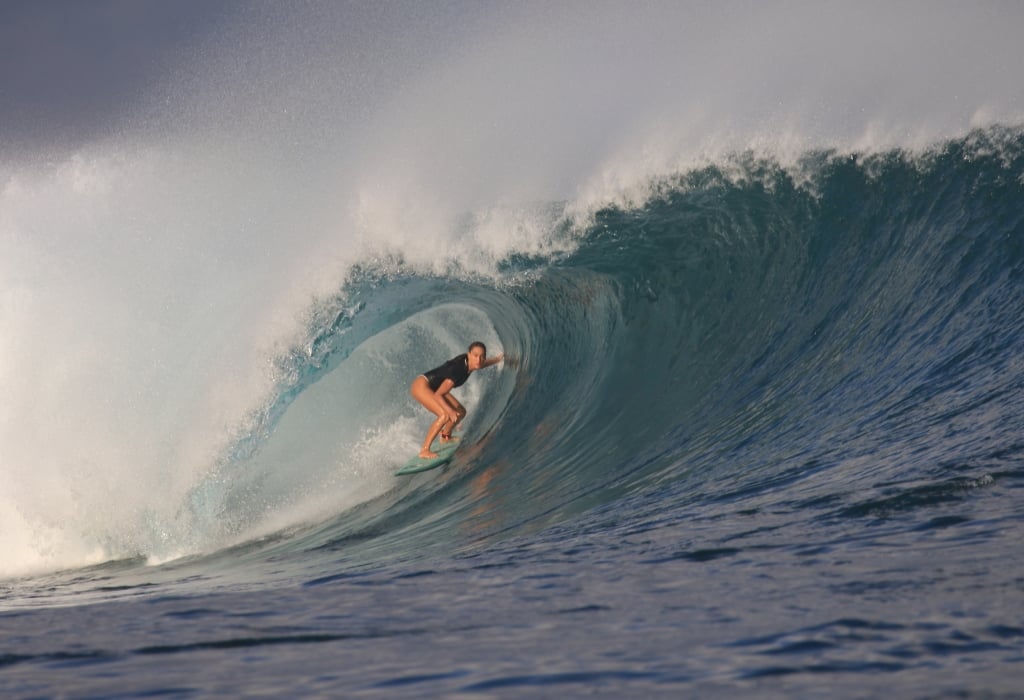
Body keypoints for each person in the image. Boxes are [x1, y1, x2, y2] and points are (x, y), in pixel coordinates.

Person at [410, 341, 505, 458]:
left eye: (482, 356)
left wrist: (498, 359)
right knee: (445, 415)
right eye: (475, 355)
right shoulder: (458, 370)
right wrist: (449, 411)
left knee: (460, 412)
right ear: (469, 354)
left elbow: (480, 364)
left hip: (435, 388)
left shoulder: (471, 363)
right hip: (422, 386)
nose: (479, 359)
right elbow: (438, 395)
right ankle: (424, 450)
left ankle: (445, 436)